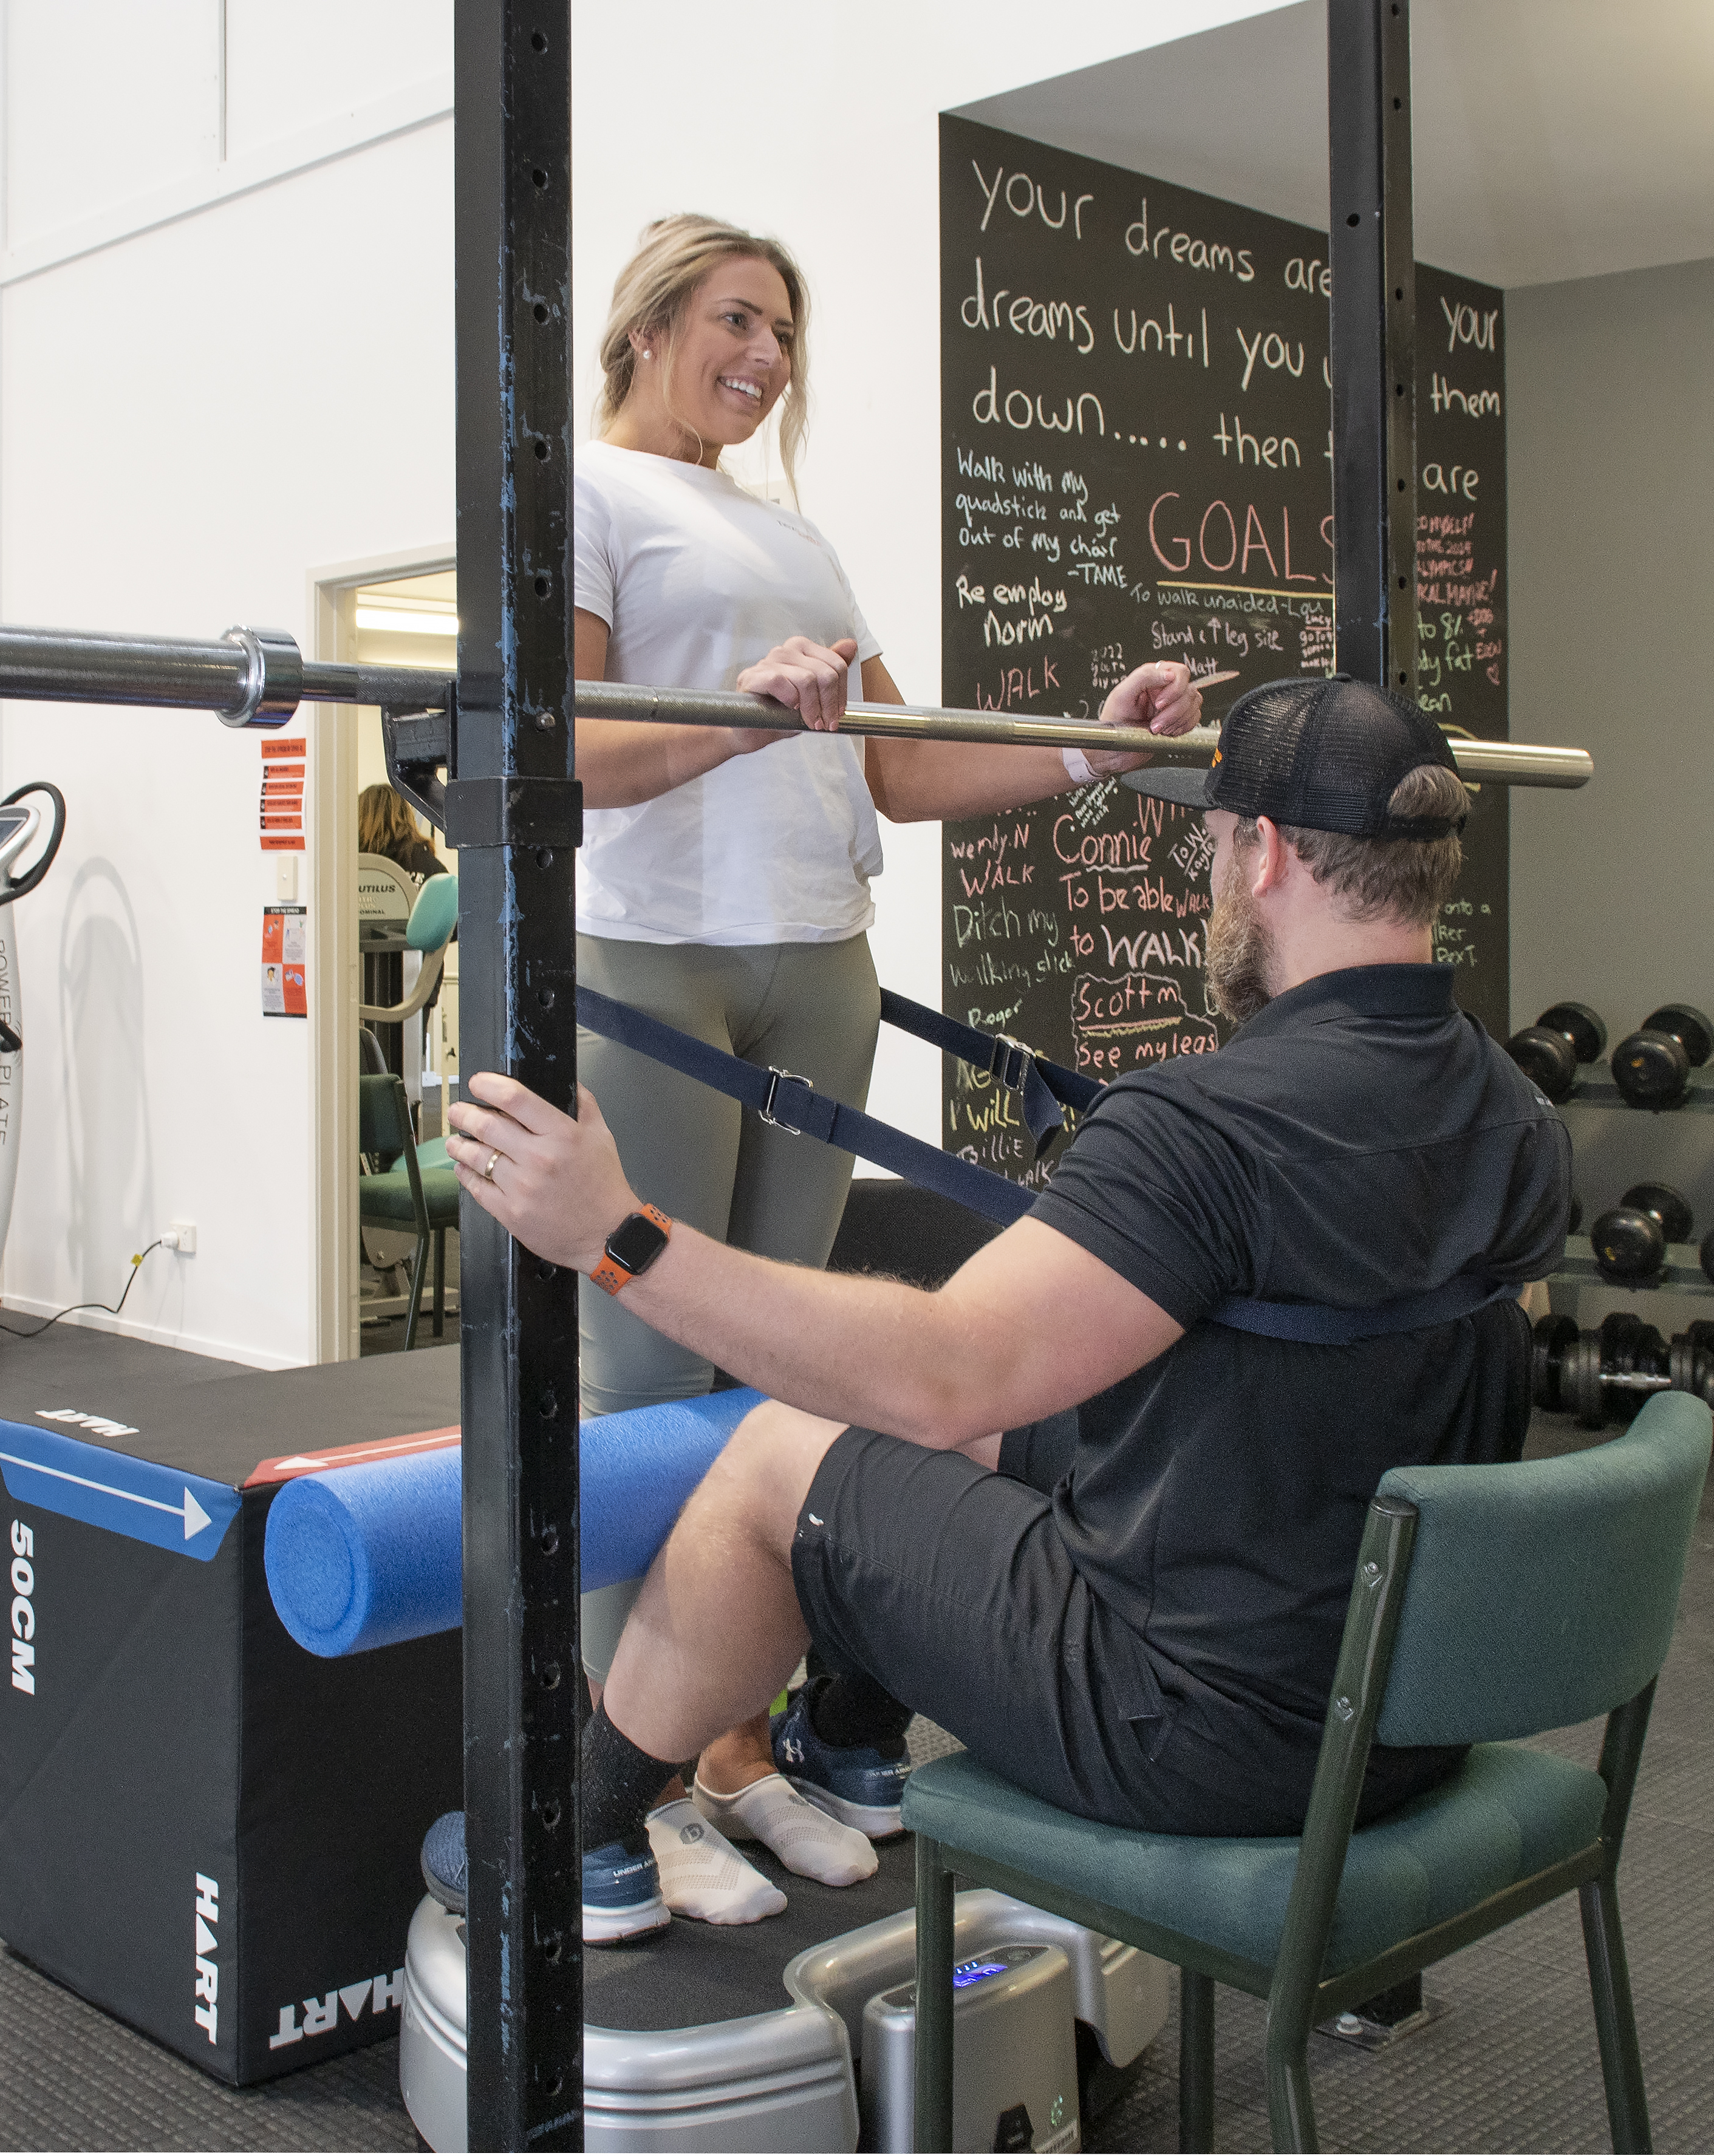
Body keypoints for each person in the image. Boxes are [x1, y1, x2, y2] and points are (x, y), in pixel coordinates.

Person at [419, 677, 1572, 1945]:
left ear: (1270, 853)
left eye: (1212, 840)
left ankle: (570, 1833)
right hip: (1401, 1712)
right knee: (987, 1425)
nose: (1207, 871)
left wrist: (615, 1234)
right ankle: (851, 1740)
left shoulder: (1208, 1126)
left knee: (777, 1453)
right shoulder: (1513, 1107)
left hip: (1202, 1738)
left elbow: (939, 1372)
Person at [564, 212, 1212, 1925]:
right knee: (647, 1375)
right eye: (733, 318)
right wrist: (738, 709)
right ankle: (618, 1776)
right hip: (654, 957)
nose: (763, 355)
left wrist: (1094, 741)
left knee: (791, 1375)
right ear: (647, 325)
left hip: (815, 955)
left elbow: (904, 773)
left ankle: (736, 1746)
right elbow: (563, 753)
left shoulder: (794, 533)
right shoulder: (582, 492)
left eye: (781, 328)